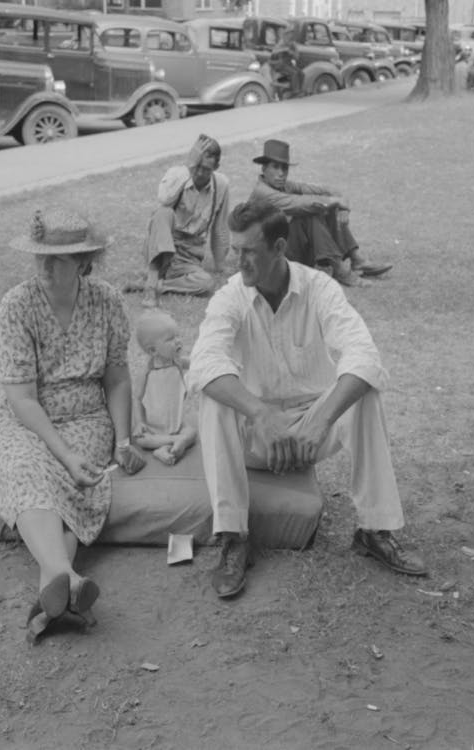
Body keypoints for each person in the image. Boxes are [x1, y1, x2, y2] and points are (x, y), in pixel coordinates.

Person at [188, 200, 428, 598]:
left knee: (364, 390)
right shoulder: (231, 296)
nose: (239, 262)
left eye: (250, 251)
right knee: (214, 399)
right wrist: (260, 412)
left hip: (310, 431)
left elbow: (364, 355)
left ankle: (375, 529)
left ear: (280, 248)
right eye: (236, 250)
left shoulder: (319, 288)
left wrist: (319, 423)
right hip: (259, 433)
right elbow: (203, 363)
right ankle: (233, 536)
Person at [0, 207, 147, 644]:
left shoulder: (106, 301)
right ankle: (65, 575)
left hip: (85, 416)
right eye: (40, 257)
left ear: (84, 263)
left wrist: (123, 439)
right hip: (17, 416)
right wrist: (62, 453)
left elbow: (117, 377)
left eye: (58, 259)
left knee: (76, 480)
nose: (45, 267)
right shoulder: (16, 306)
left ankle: (56, 585)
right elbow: (22, 400)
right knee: (31, 468)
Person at [248, 139, 392, 286]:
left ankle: (357, 260)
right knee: (310, 212)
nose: (281, 173)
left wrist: (341, 204)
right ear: (264, 168)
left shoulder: (285, 186)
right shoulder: (262, 192)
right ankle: (341, 270)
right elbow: (298, 204)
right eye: (275, 167)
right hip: (271, 258)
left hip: (287, 249)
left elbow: (325, 190)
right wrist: (333, 201)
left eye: (285, 168)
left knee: (323, 206)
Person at [137, 134, 230, 307]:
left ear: (216, 166)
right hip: (162, 248)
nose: (200, 173)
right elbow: (164, 200)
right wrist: (189, 166)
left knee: (206, 283)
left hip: (188, 258)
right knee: (163, 213)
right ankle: (151, 281)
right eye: (198, 166)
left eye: (206, 169)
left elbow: (220, 227)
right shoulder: (178, 174)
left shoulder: (222, 185)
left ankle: (160, 285)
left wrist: (220, 266)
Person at [132, 309, 197, 466]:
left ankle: (165, 448)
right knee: (142, 440)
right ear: (153, 350)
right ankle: (176, 441)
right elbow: (137, 398)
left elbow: (199, 363)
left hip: (176, 422)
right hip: (153, 425)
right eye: (170, 339)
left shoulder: (179, 363)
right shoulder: (146, 371)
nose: (178, 341)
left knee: (191, 432)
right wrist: (140, 422)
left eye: (178, 336)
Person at [268, 28, 305, 99]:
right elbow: (274, 52)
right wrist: (285, 50)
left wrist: (292, 53)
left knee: (301, 73)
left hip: (288, 64)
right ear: (286, 34)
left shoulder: (293, 44)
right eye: (289, 33)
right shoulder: (281, 43)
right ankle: (295, 92)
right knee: (294, 73)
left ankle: (300, 90)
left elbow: (297, 57)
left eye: (292, 34)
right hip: (280, 64)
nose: (291, 35)